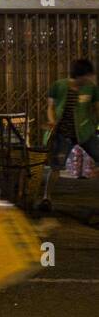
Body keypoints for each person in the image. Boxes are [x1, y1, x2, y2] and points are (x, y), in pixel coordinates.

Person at [39, 58, 99, 211]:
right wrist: (52, 121)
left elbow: (96, 108)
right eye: (89, 74)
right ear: (81, 75)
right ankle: (47, 198)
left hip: (85, 133)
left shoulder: (91, 88)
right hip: (63, 133)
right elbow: (50, 107)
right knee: (55, 167)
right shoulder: (59, 86)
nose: (92, 78)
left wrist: (95, 124)